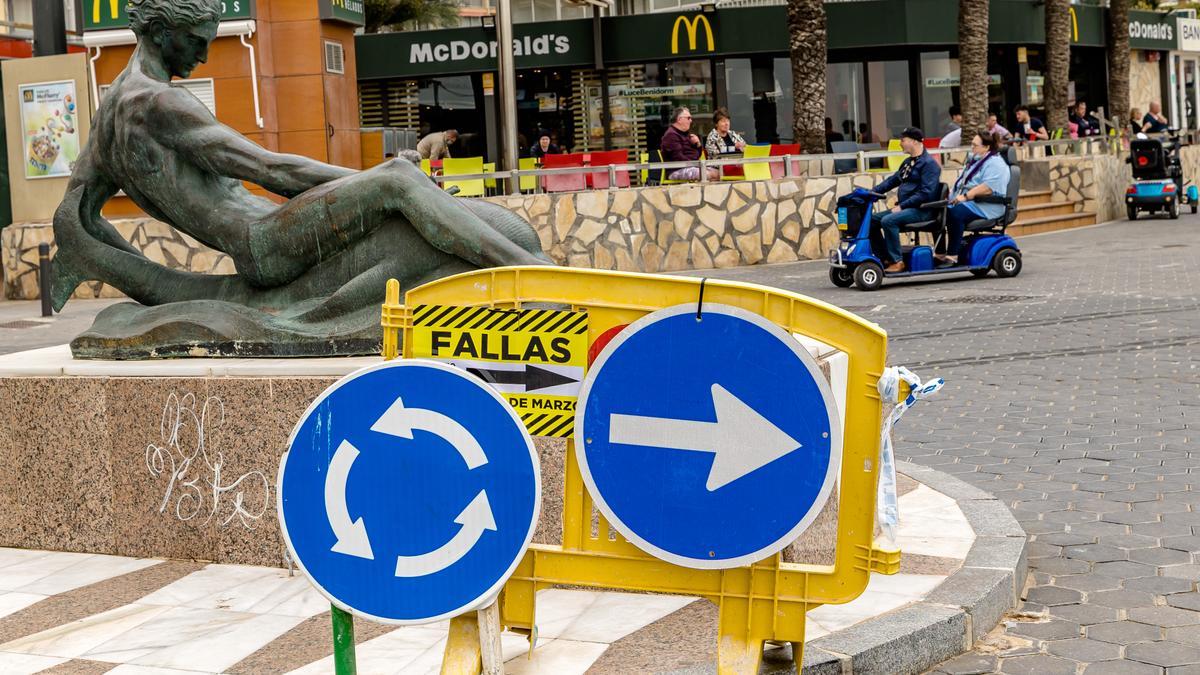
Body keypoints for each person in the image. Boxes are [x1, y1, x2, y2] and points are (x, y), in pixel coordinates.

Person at [869, 127, 942, 273]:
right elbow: (893, 180)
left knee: (888, 220)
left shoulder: (929, 165)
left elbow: (925, 194)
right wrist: (872, 192)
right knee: (871, 221)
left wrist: (902, 206)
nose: (900, 143)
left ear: (914, 142)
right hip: (907, 208)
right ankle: (885, 258)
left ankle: (898, 261)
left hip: (922, 210)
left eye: (903, 140)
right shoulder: (909, 162)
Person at [941, 130, 1010, 266]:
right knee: (940, 211)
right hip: (972, 202)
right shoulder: (976, 160)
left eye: (975, 145)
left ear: (986, 147)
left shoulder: (996, 163)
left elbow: (988, 187)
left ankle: (953, 255)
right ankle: (939, 253)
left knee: (956, 213)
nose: (972, 148)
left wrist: (966, 197)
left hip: (987, 205)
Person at [660, 106, 718, 181]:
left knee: (719, 173)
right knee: (708, 174)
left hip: (690, 166)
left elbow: (698, 155)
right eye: (688, 118)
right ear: (679, 119)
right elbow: (679, 158)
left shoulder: (685, 134)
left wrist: (698, 144)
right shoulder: (671, 135)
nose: (691, 121)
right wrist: (695, 162)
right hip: (676, 170)